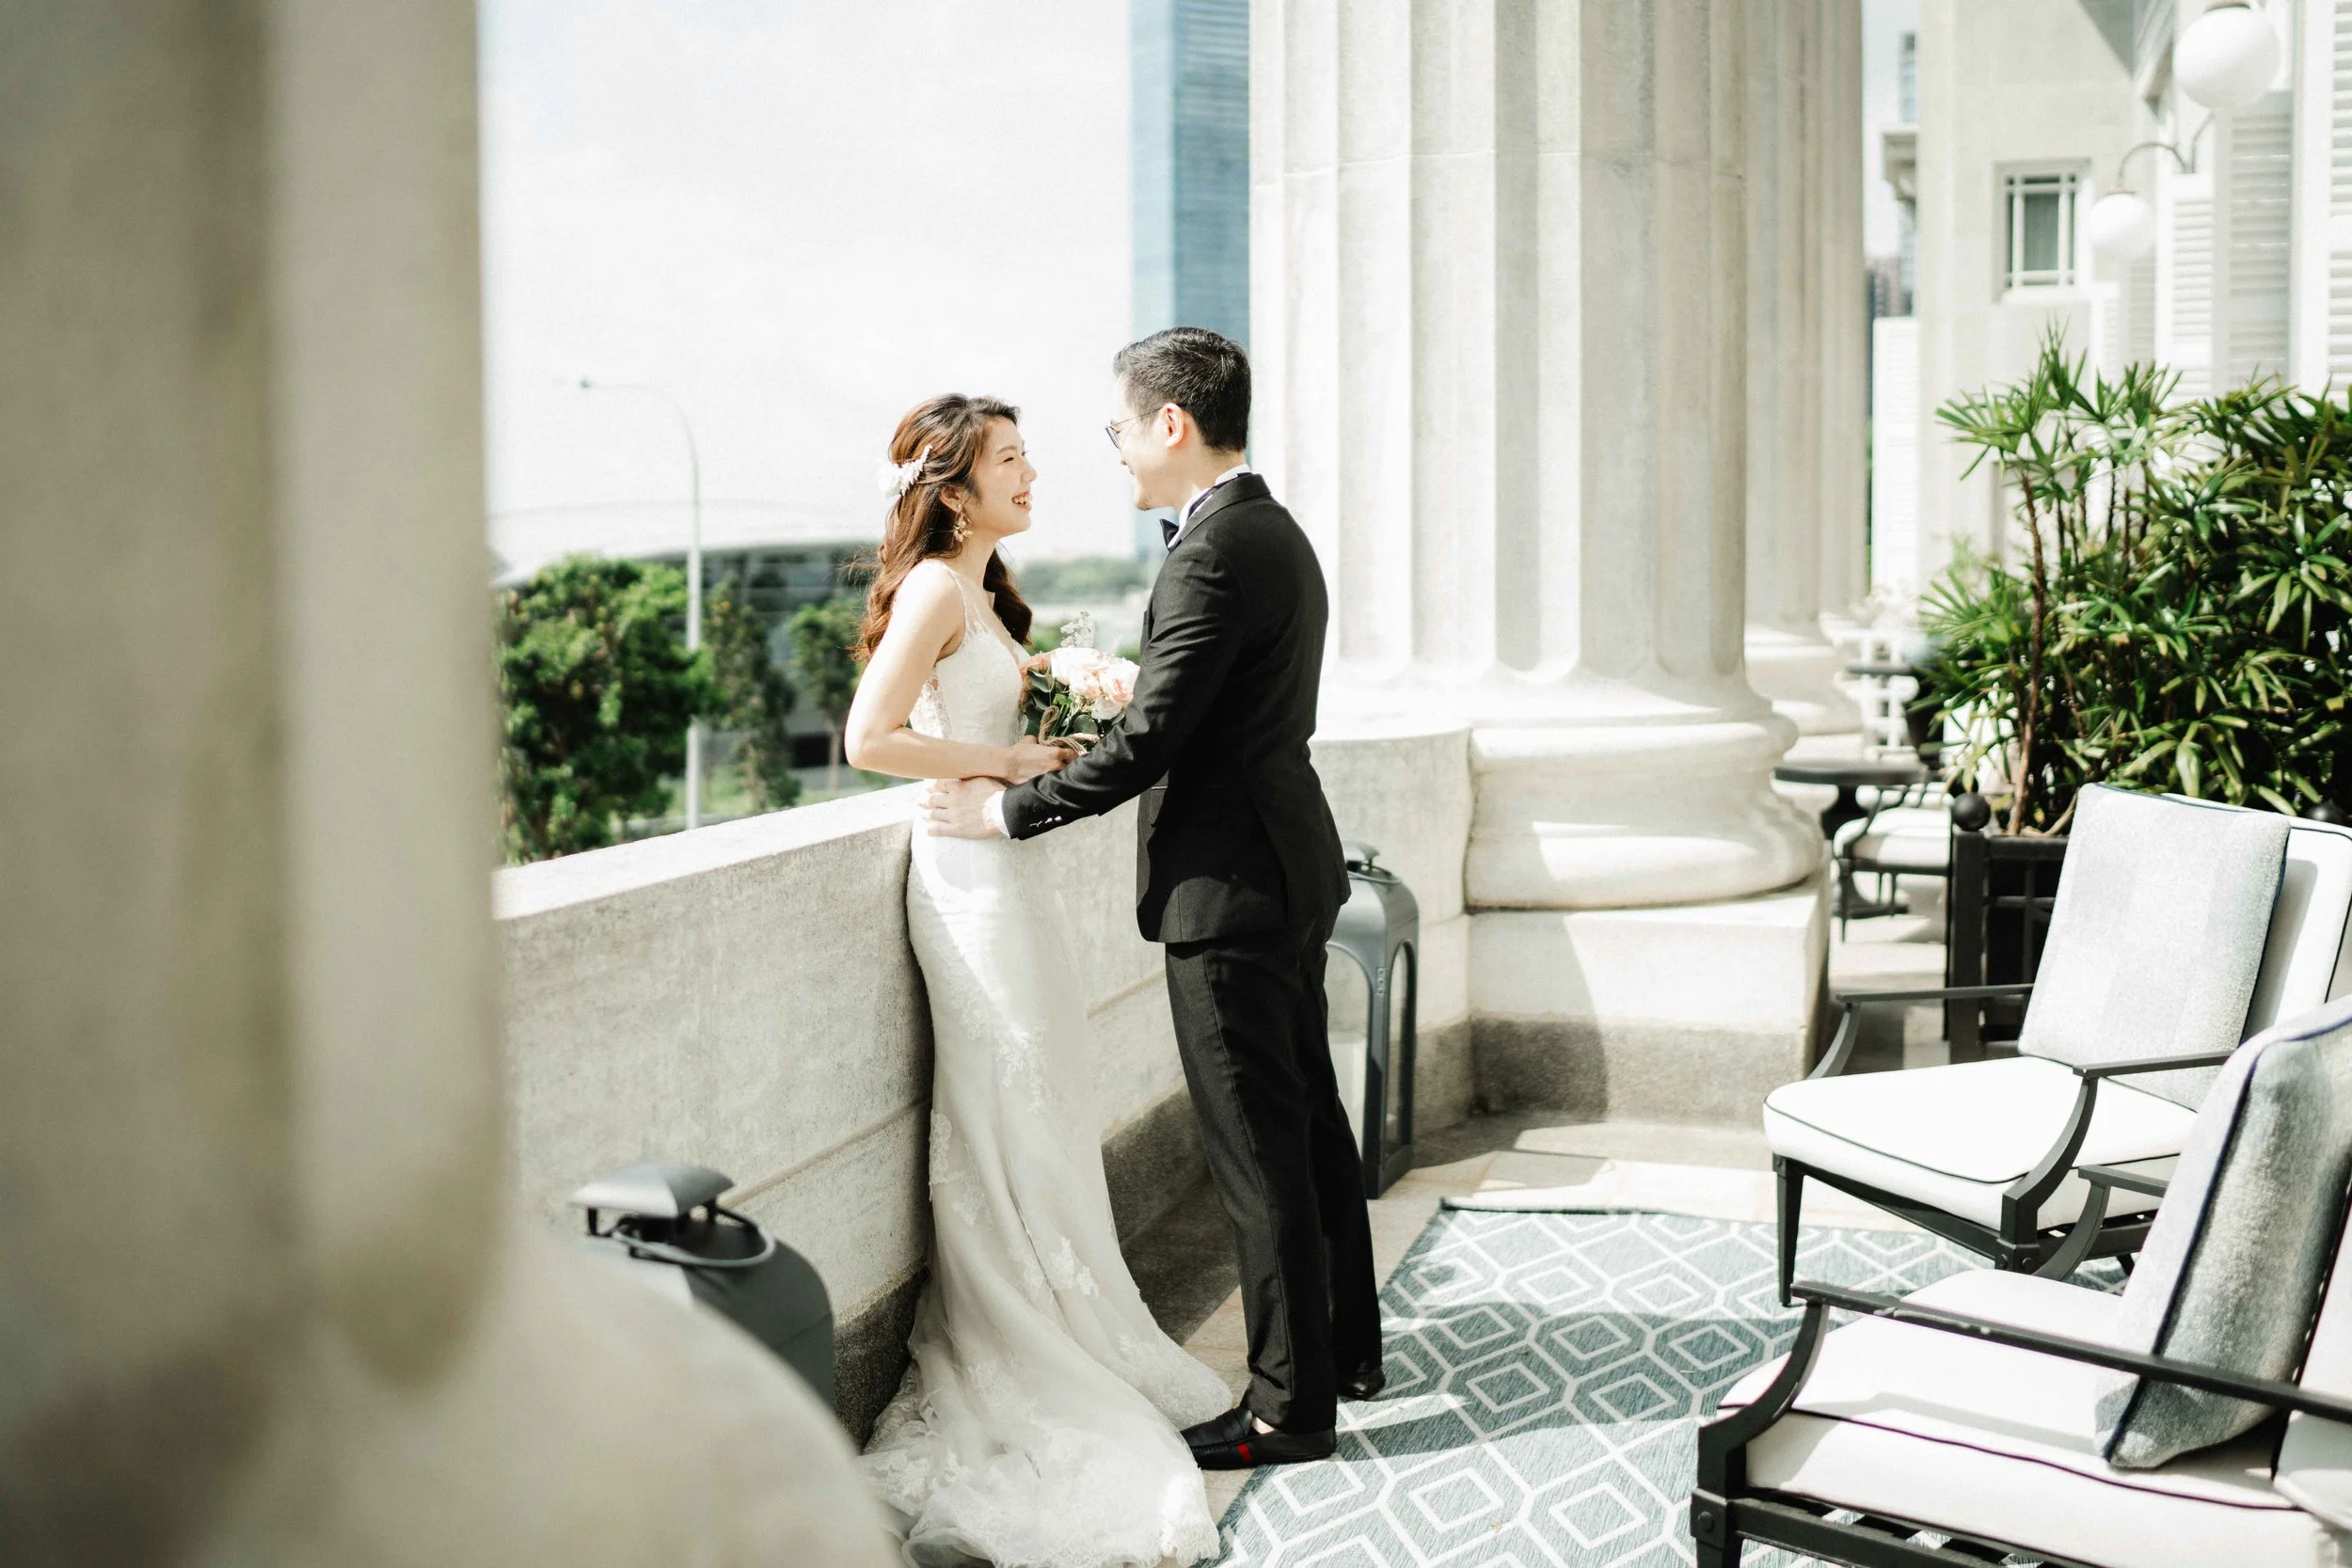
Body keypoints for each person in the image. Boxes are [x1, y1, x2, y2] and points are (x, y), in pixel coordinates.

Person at [925, 327, 1382, 1473]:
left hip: (1228, 889)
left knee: (1256, 1150)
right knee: (1310, 1126)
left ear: (1170, 424)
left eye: (1121, 430)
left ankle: (1287, 1409)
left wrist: (1010, 810)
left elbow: (1151, 738)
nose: (1117, 455)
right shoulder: (1269, 529)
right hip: (1289, 864)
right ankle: (1345, 1350)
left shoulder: (1212, 552)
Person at [844, 393, 1232, 1568]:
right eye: (1010, 461)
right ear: (953, 490)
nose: (1033, 474)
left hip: (1002, 884)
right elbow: (870, 738)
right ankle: (1025, 1341)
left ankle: (1079, 1320)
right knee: (1007, 1111)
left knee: (1042, 1109)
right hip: (962, 889)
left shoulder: (979, 595)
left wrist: (1054, 722)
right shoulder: (930, 590)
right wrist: (1001, 759)